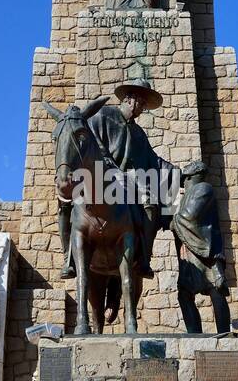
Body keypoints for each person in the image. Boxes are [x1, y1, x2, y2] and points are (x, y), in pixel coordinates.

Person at [57, 73, 178, 280]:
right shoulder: (102, 116)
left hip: (130, 180)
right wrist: (113, 170)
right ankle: (69, 258)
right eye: (142, 103)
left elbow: (153, 160)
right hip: (97, 173)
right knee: (66, 198)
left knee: (150, 202)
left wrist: (175, 172)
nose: (143, 109)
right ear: (130, 99)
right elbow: (94, 145)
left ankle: (144, 258)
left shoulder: (139, 133)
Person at [172, 161, 230, 334]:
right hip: (188, 250)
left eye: (184, 180)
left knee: (215, 289)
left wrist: (173, 222)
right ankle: (195, 334)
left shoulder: (203, 189)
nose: (183, 185)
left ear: (190, 177)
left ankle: (224, 332)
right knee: (184, 293)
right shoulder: (187, 195)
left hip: (205, 250)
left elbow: (190, 217)